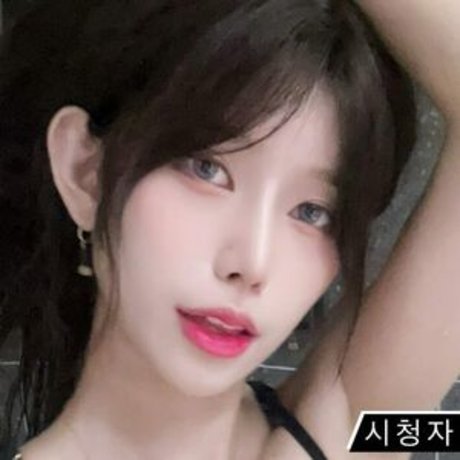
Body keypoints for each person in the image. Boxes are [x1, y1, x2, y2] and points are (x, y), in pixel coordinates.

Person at [0, 0, 458, 459]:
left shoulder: (348, 436)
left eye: (313, 212)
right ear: (85, 172)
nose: (253, 263)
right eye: (207, 170)